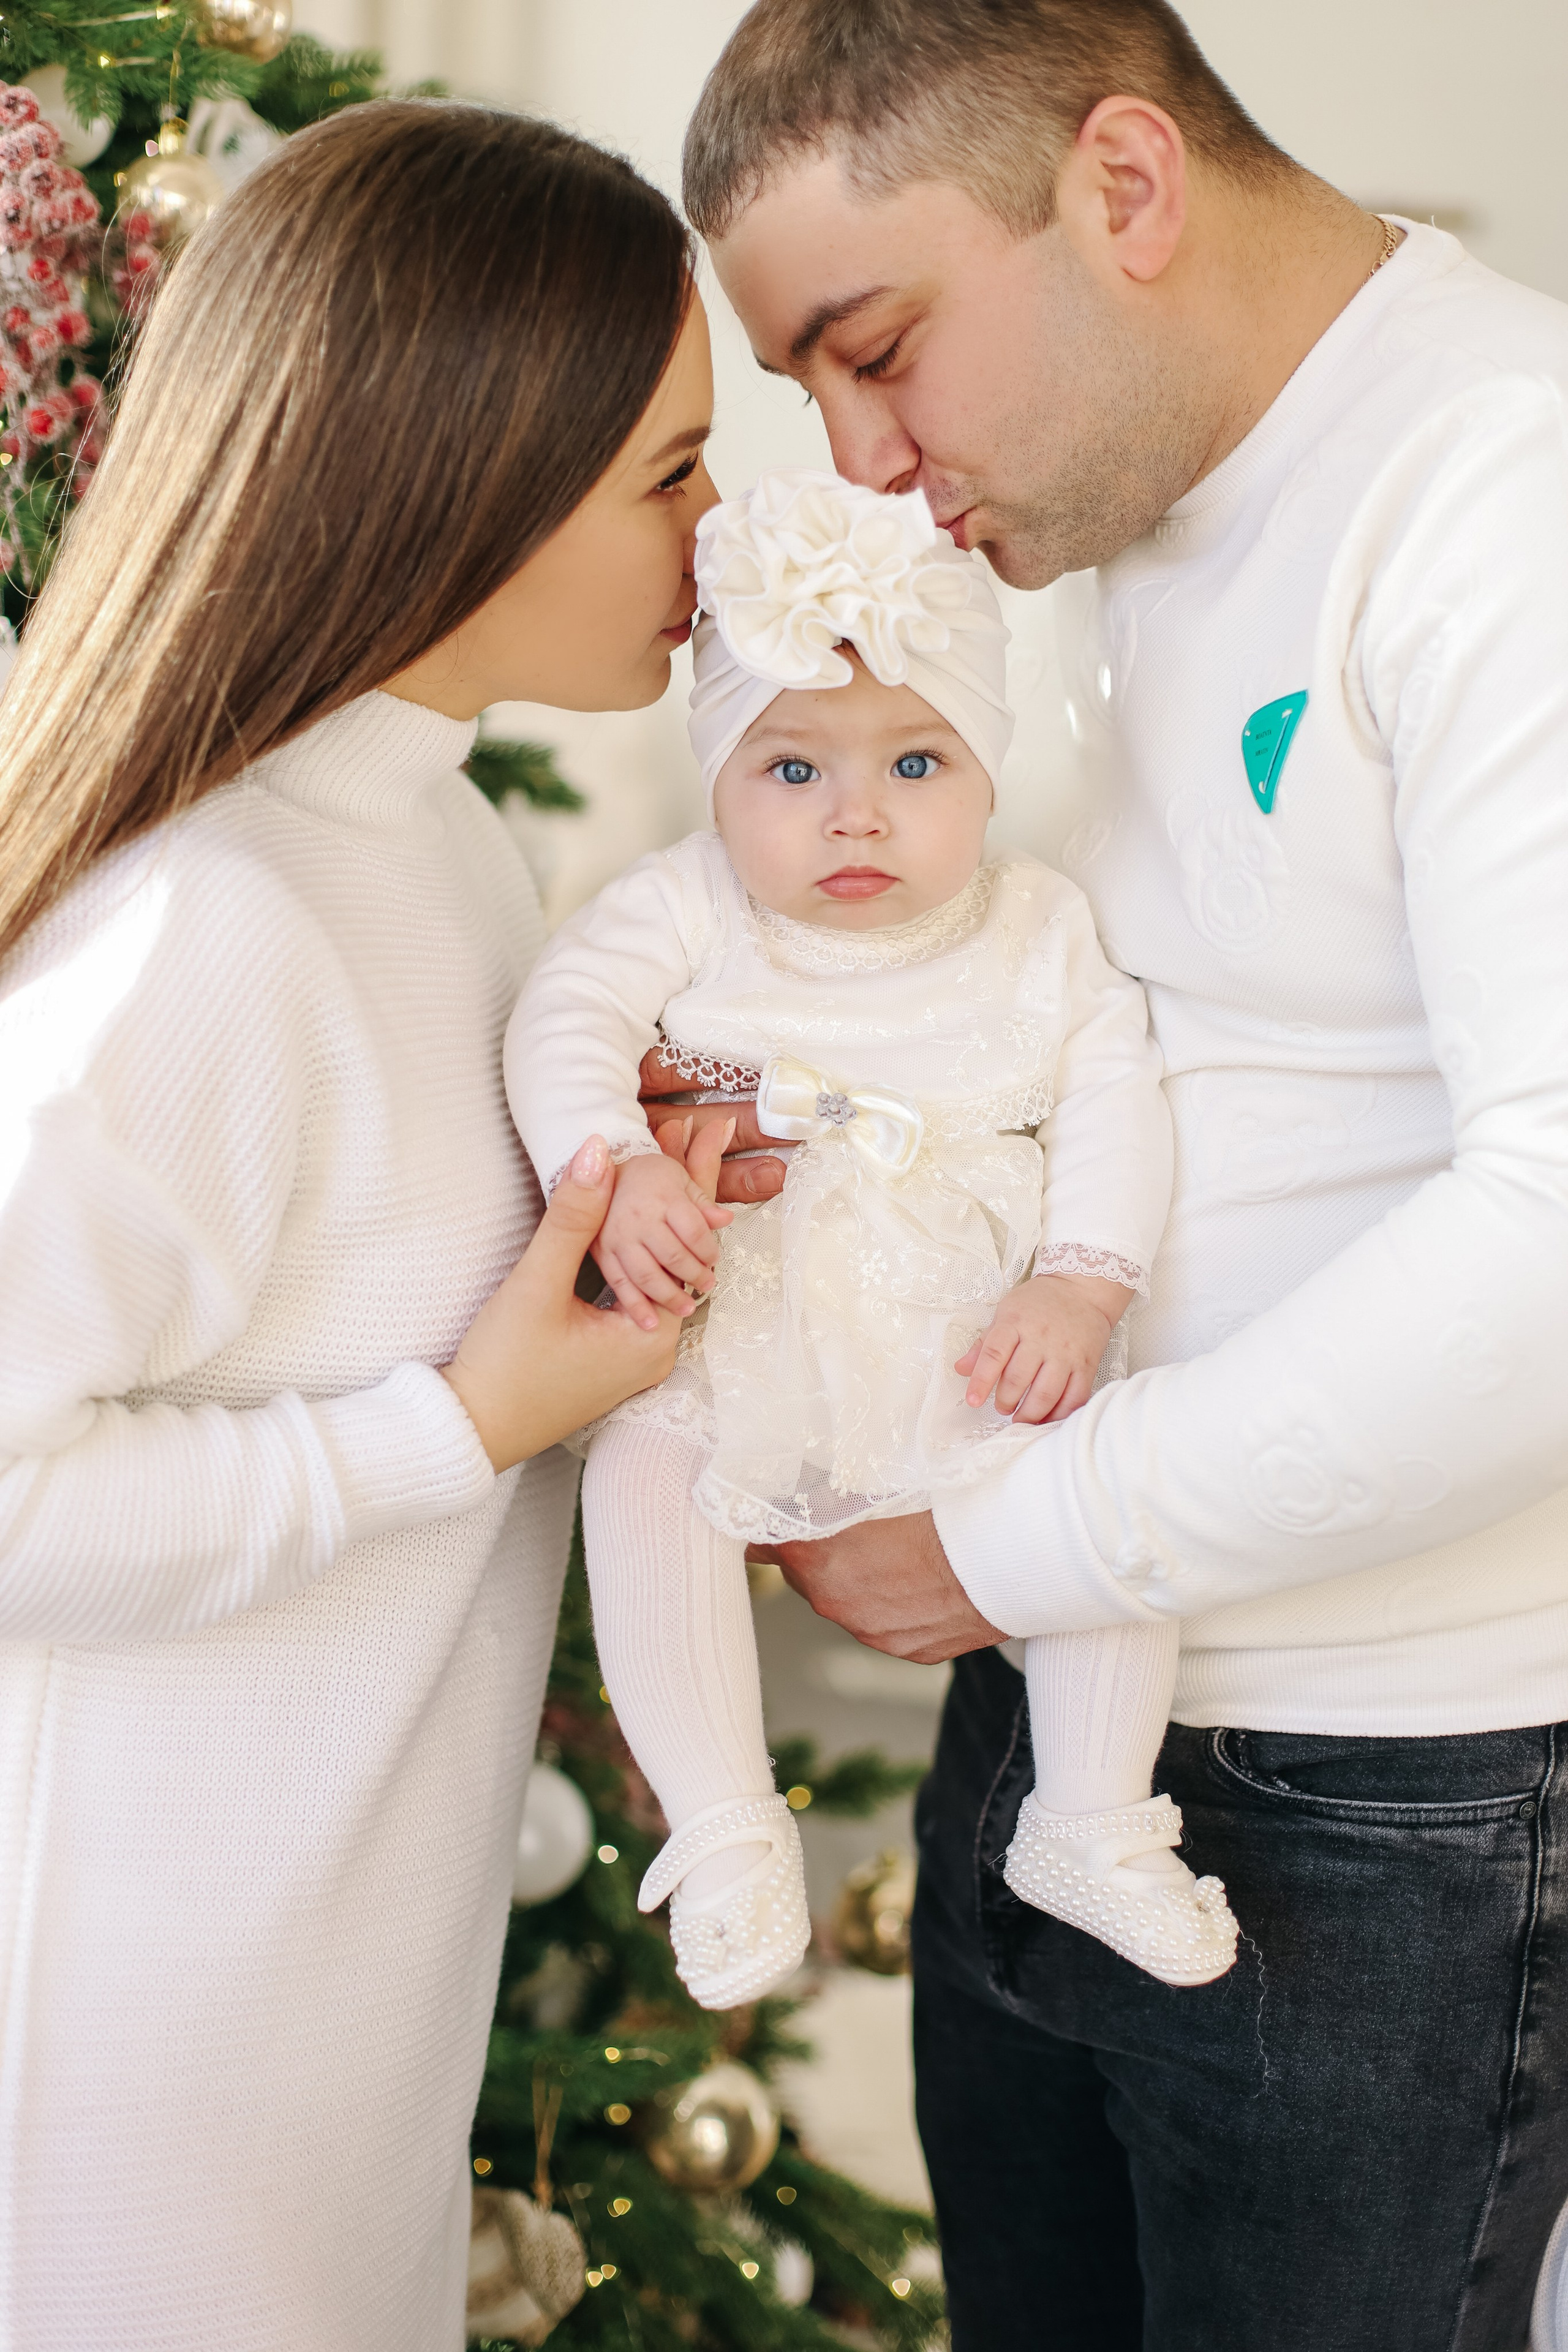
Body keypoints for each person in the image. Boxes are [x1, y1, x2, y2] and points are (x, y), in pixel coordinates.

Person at [676, 4, 1568, 2348]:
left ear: (1126, 192)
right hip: (1045, 1721)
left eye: (877, 354)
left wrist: (991, 1544)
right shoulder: (1093, 519)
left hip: (1385, 1811)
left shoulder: (1506, 490)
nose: (868, 463)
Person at [0, 101, 722, 2351]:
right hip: (128, 2089)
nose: (725, 534)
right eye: (672, 476)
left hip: (345, 2046)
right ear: (464, 483)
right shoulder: (204, 925)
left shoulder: (450, 855)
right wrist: (455, 1425)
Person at [510, 463, 1237, 2011]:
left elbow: (1115, 1091)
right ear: (715, 783)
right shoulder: (689, 905)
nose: (855, 813)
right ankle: (718, 1825)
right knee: (642, 1477)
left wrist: (1079, 1278)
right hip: (740, 1314)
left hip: (967, 1325)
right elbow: (562, 1013)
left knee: (1100, 1505)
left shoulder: (1036, 923)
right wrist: (613, 1161)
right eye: (788, 770)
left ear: (984, 771)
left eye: (915, 761)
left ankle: (1092, 1814)